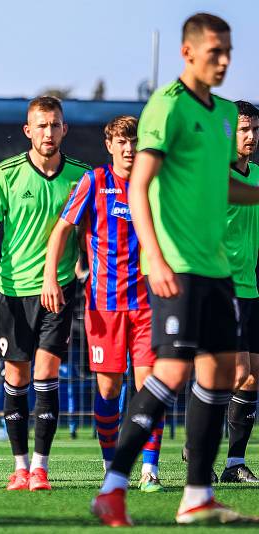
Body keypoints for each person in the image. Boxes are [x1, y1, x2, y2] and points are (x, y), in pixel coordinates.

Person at [92, 13, 259, 526]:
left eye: (229, 50)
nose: (225, 60)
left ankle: (197, 496)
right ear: (188, 53)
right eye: (215, 51)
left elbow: (218, 186)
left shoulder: (227, 114)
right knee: (170, 372)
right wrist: (156, 256)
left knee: (221, 373)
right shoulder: (166, 107)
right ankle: (113, 486)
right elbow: (139, 184)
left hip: (218, 269)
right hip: (177, 267)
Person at [0, 96, 90, 491]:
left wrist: (85, 265)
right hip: (12, 290)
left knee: (46, 374)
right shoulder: (6, 173)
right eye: (41, 126)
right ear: (27, 130)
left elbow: (89, 230)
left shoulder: (82, 177)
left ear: (64, 129)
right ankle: (19, 467)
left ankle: (40, 468)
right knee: (15, 377)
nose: (48, 132)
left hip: (58, 291)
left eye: (55, 125)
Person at [42, 116, 165, 492]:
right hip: (104, 306)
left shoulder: (156, 183)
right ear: (110, 145)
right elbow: (63, 228)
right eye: (122, 142)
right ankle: (113, 469)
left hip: (147, 303)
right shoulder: (95, 182)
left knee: (150, 386)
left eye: (135, 142)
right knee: (109, 390)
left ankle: (149, 468)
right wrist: (50, 277)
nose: (130, 149)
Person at [220, 100, 259, 483]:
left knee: (253, 376)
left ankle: (233, 464)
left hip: (253, 288)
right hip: (223, 287)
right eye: (243, 130)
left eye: (255, 130)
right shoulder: (214, 179)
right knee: (238, 371)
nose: (250, 137)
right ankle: (199, 440)